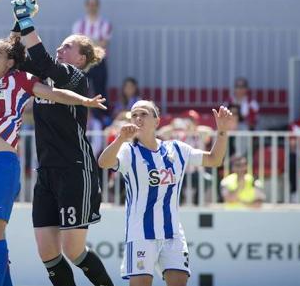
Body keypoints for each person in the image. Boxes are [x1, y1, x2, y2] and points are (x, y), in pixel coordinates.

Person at [0, 34, 106, 286]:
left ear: (10, 62)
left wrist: (85, 101)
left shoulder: (20, 80)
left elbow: (54, 91)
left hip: (8, 164)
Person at [10, 0, 114, 286]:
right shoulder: (49, 78)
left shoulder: (75, 77)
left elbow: (42, 59)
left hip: (74, 170)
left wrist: (27, 19)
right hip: (46, 172)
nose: (60, 48)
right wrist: (17, 24)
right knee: (47, 253)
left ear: (81, 58)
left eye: (67, 46)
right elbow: (15, 58)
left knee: (73, 250)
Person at [98, 100, 234, 286]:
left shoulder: (177, 149)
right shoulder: (128, 151)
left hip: (172, 234)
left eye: (144, 114)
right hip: (141, 234)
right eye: (134, 115)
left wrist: (222, 131)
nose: (138, 118)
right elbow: (103, 163)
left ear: (157, 121)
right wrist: (120, 138)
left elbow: (214, 159)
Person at [71, 0, 112, 105]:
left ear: (98, 6)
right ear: (86, 6)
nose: (91, 7)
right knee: (81, 89)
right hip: (82, 61)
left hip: (98, 61)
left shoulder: (105, 24)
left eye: (94, 4)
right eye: (89, 4)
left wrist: (86, 41)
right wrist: (94, 41)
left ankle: (101, 117)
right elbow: (77, 43)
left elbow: (104, 43)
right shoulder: (78, 24)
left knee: (100, 90)